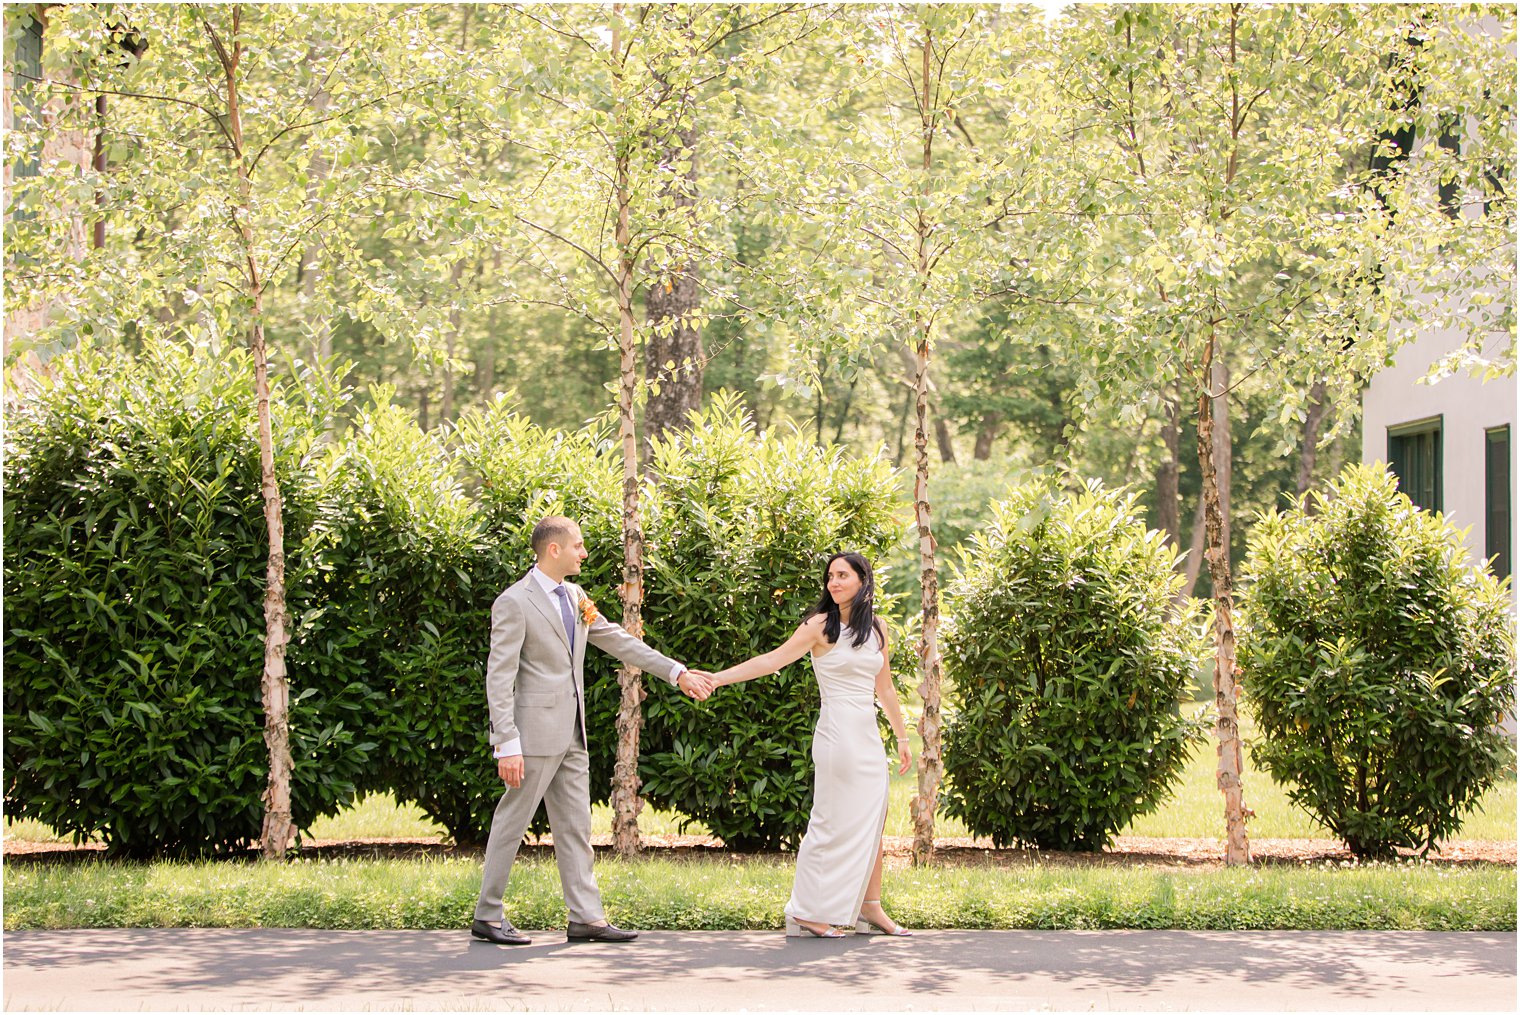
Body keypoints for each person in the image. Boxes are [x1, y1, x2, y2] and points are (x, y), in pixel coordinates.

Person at [472, 515, 715, 946]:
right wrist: (506, 742)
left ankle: (586, 917)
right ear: (554, 550)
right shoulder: (514, 602)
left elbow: (619, 639)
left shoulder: (576, 595)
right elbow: (499, 676)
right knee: (512, 822)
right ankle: (488, 915)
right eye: (578, 546)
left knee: (575, 827)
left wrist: (676, 673)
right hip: (531, 736)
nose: (584, 553)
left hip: (572, 734)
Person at [712, 552, 914, 938]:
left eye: (842, 575)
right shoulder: (819, 626)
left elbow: (884, 687)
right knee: (830, 820)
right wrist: (718, 679)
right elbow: (771, 661)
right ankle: (806, 910)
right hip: (837, 735)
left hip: (868, 737)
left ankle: (869, 908)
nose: (833, 583)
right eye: (830, 577)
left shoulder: (877, 628)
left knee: (874, 819)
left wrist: (902, 738)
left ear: (862, 579)